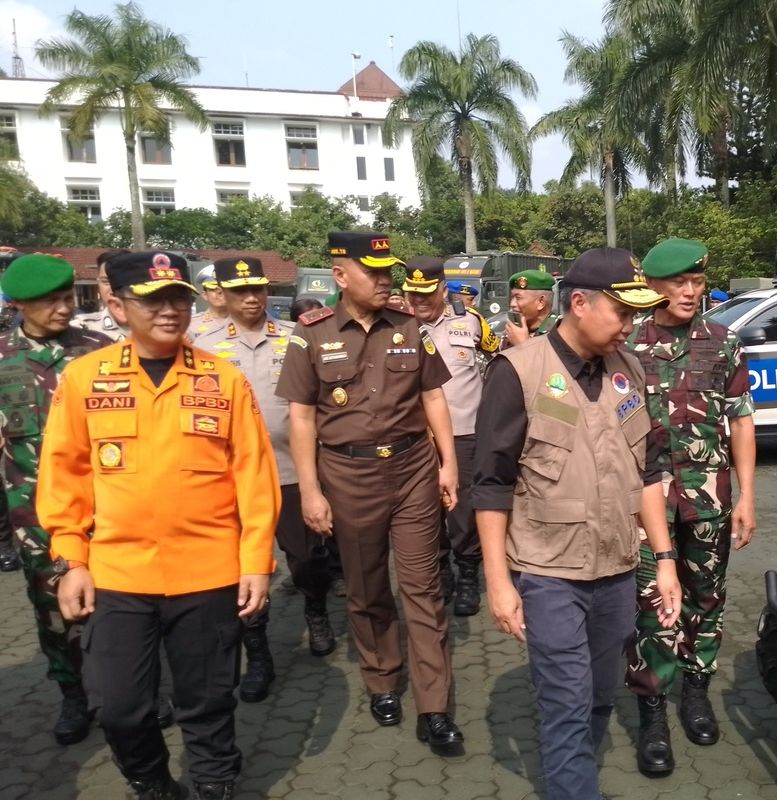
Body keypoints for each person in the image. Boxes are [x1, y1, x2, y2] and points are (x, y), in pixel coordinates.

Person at [37, 250, 279, 800]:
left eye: (177, 298)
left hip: (208, 571)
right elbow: (64, 475)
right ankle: (150, 781)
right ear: (116, 306)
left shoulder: (224, 380)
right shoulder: (83, 379)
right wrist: (70, 559)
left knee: (209, 700)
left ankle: (216, 782)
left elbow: (254, 478)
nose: (169, 310)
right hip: (118, 573)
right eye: (152, 300)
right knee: (119, 707)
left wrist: (256, 562)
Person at [473, 247, 683, 800]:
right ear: (581, 303)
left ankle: (576, 776)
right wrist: (498, 583)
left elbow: (646, 473)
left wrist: (664, 560)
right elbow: (491, 486)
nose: (631, 326)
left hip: (616, 569)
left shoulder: (628, 370)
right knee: (565, 704)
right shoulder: (517, 372)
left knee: (597, 697)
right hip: (547, 573)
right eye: (623, 313)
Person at [276, 232, 465, 749]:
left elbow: (432, 396)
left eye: (389, 272)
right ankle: (383, 678)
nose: (387, 281)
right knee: (366, 587)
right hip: (347, 474)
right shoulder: (309, 334)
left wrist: (448, 463)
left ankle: (434, 705)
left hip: (412, 470)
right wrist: (310, 490)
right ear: (341, 276)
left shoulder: (410, 325)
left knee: (423, 588)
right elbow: (301, 417)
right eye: (375, 272)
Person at [625, 238, 757, 776]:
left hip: (709, 500)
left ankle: (695, 692)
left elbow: (741, 419)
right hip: (646, 504)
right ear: (654, 287)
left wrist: (747, 494)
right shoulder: (628, 344)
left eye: (697, 282)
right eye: (679, 282)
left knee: (707, 596)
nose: (689, 291)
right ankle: (652, 707)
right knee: (654, 603)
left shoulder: (723, 343)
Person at [194, 257, 337, 704]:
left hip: (291, 469)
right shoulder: (198, 343)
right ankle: (257, 653)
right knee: (239, 568)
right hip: (228, 477)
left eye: (257, 289)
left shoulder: (294, 337)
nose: (251, 298)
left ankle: (316, 611)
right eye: (240, 291)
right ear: (222, 293)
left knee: (308, 556)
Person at [0, 254, 112, 744]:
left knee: (119, 603)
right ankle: (73, 696)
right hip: (32, 510)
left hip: (103, 502)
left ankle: (132, 692)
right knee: (51, 606)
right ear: (20, 303)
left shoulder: (99, 351)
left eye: (68, 298)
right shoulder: (2, 356)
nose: (65, 308)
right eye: (51, 301)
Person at [404, 257, 499, 617]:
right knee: (425, 509)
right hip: (418, 437)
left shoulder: (470, 320)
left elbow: (496, 354)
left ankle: (469, 573)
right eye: (413, 295)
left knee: (462, 511)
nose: (420, 302)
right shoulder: (399, 327)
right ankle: (441, 571)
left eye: (427, 294)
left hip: (465, 434)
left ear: (443, 289)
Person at [73, 248, 131, 340]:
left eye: (122, 281)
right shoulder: (79, 328)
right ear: (98, 283)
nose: (113, 289)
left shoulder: (157, 326)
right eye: (106, 282)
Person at [503, 268, 558, 348]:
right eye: (512, 297)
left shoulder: (559, 333)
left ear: (541, 302)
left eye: (518, 298)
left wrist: (523, 345)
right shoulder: (513, 331)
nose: (512, 304)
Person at [187, 266, 229, 338]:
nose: (219, 292)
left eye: (224, 288)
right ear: (205, 295)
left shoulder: (246, 321)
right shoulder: (190, 324)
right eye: (213, 289)